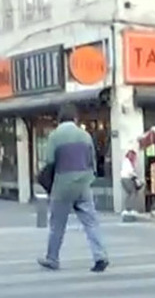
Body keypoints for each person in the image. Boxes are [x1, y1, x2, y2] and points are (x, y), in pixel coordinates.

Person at [37, 103, 109, 272]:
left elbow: (50, 162)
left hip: (62, 186)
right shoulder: (85, 136)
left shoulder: (55, 136)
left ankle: (52, 258)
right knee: (91, 223)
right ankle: (100, 256)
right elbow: (92, 162)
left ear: (59, 119)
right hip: (83, 185)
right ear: (75, 118)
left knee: (57, 225)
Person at [120, 148, 143, 215]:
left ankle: (128, 209)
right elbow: (130, 172)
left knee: (130, 194)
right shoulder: (127, 162)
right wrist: (137, 178)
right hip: (127, 178)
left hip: (125, 178)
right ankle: (129, 209)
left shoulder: (126, 161)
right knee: (133, 193)